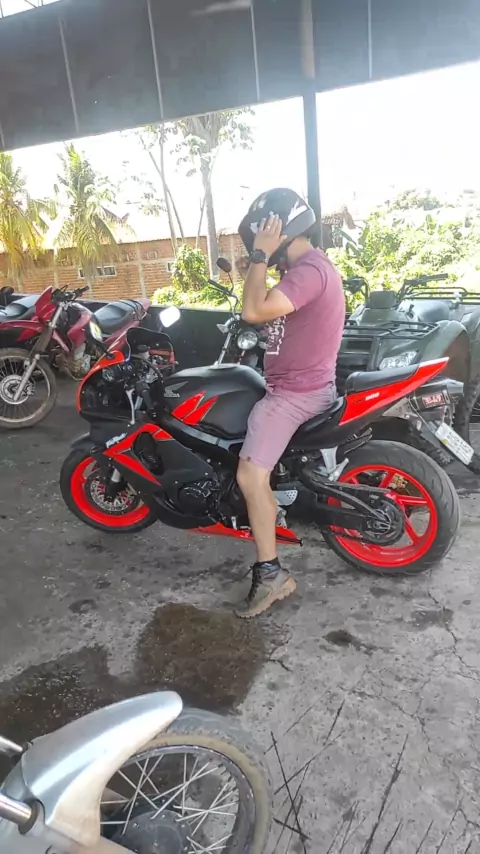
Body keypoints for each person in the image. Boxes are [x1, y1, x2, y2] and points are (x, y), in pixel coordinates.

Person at [234, 188, 345, 618]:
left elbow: (253, 310)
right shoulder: (307, 270)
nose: (261, 245)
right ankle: (271, 511)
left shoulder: (310, 271)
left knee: (249, 475)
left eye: (262, 235)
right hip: (297, 385)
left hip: (296, 394)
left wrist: (260, 256)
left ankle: (270, 575)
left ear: (279, 230)